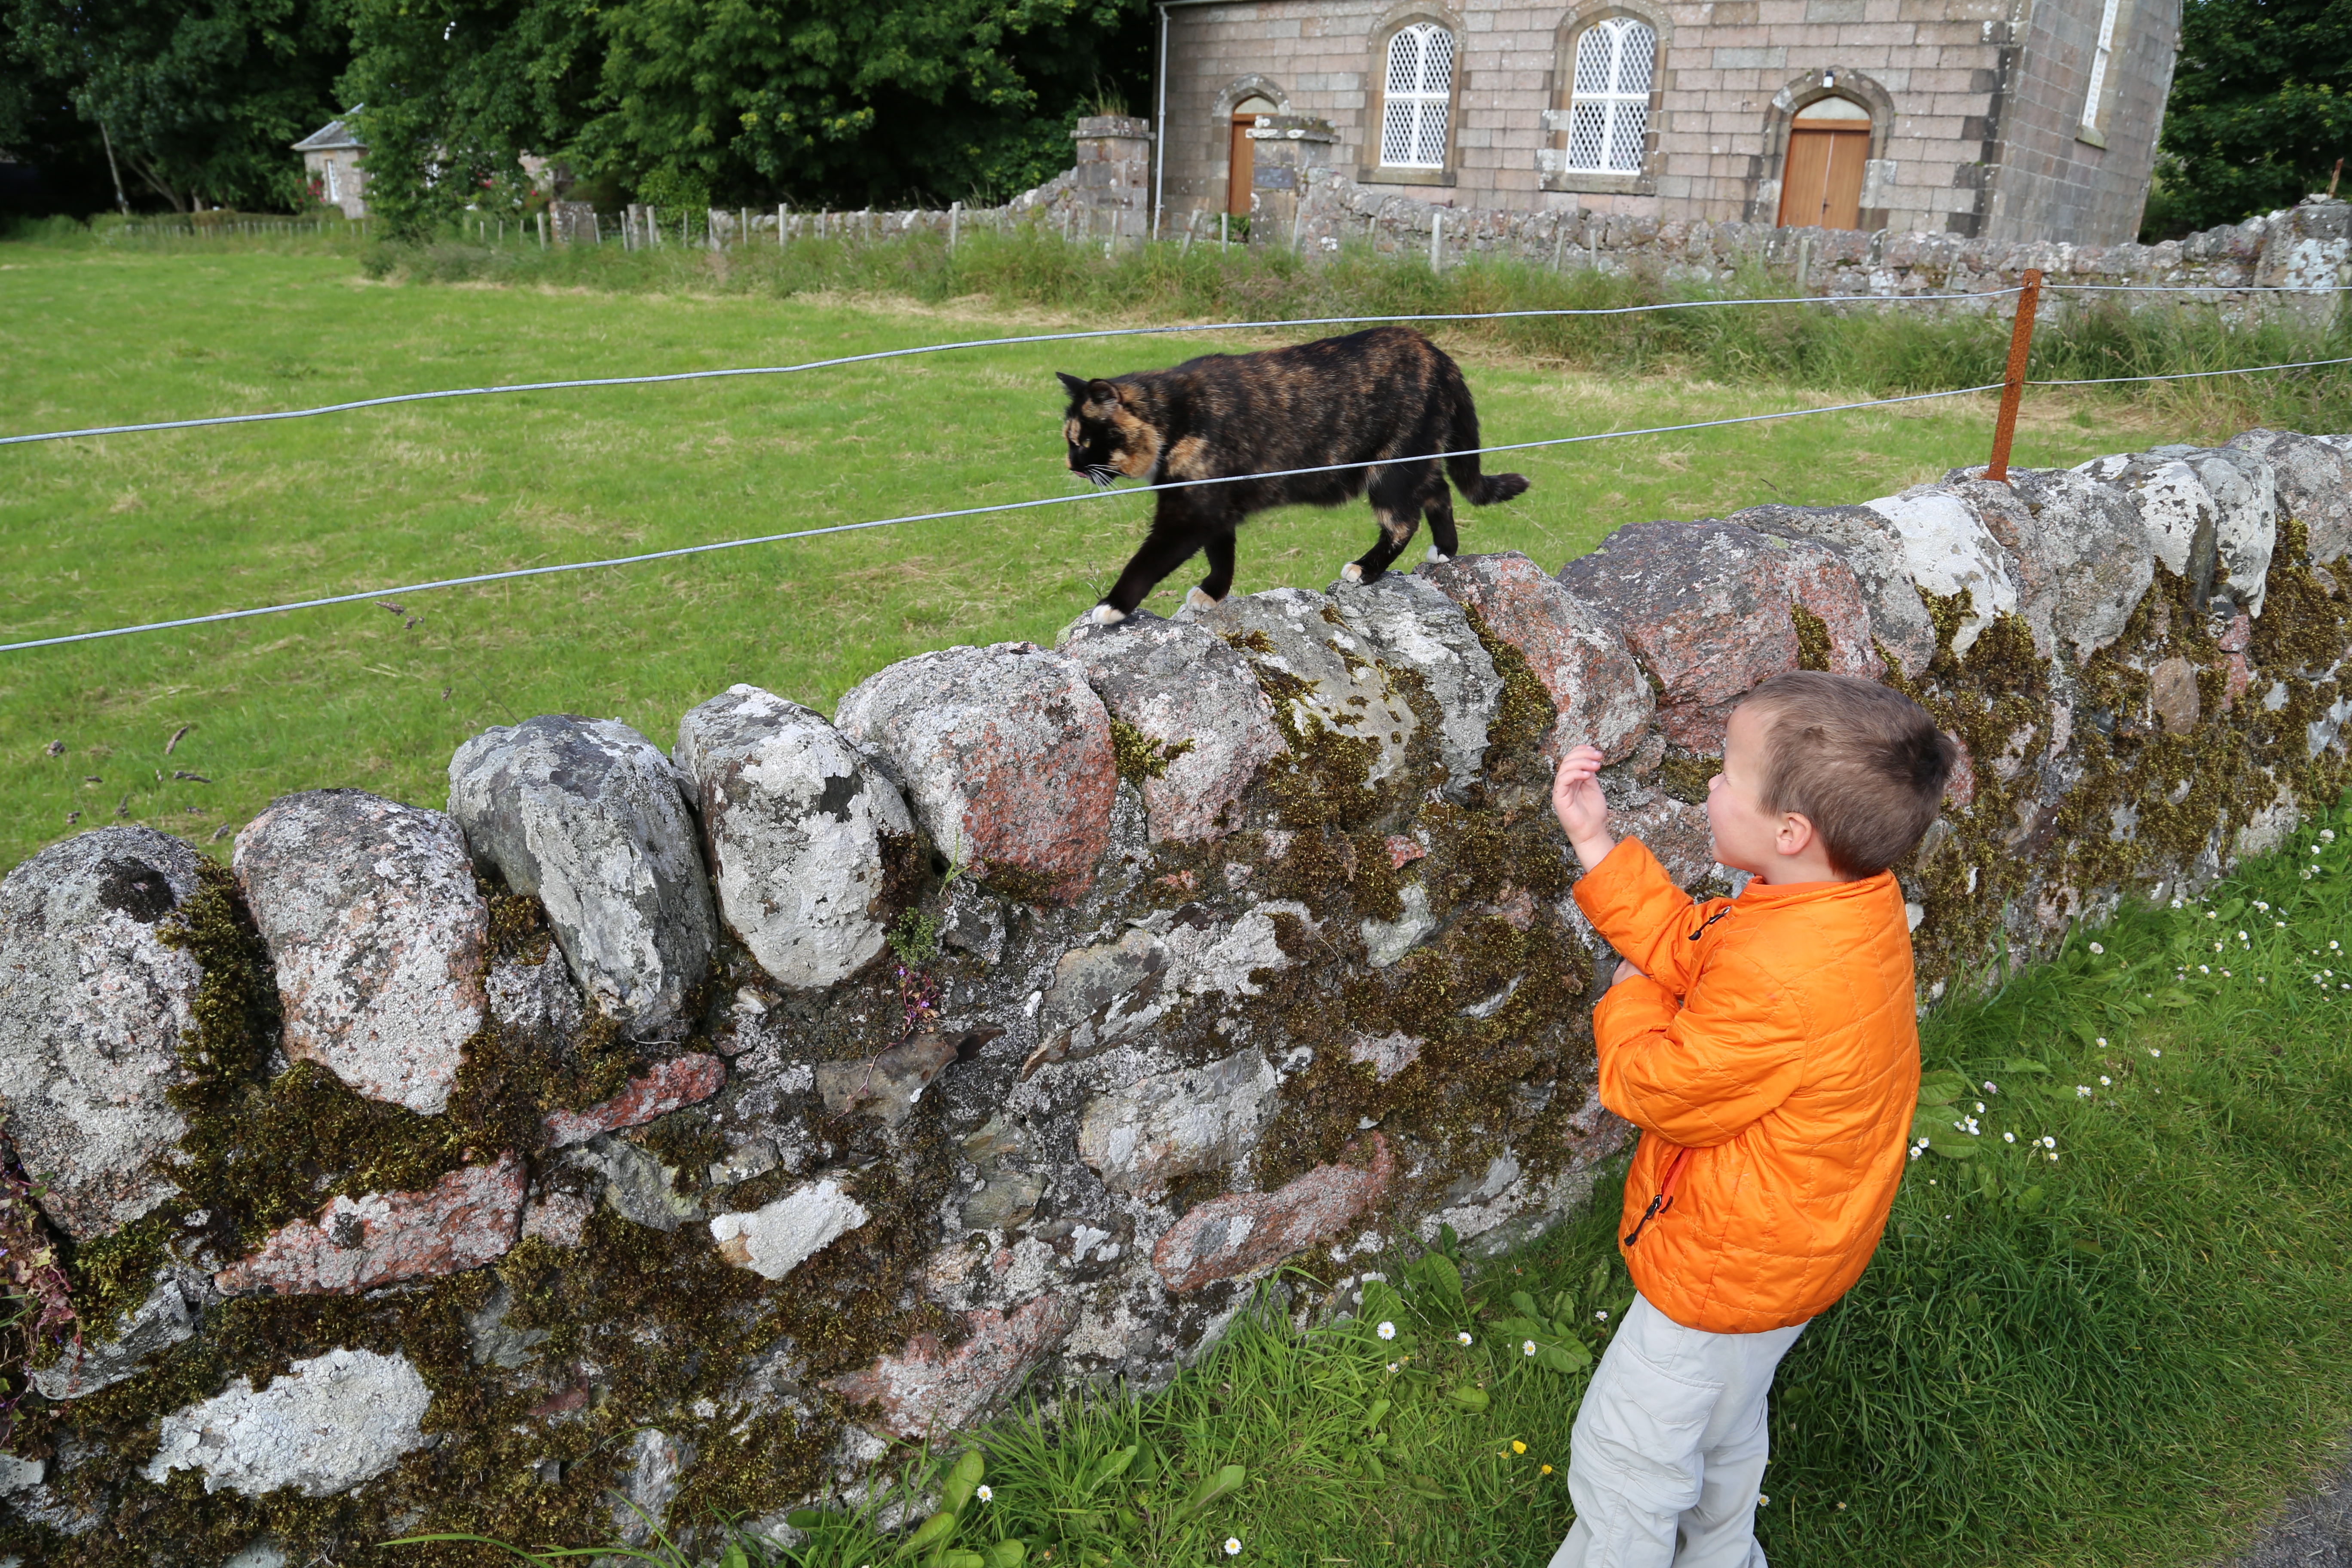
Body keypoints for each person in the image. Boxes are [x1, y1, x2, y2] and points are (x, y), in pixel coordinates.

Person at [1544, 671, 1957, 1568]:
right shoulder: (1841, 903)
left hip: (1725, 1271)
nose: (1710, 786)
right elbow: (1697, 947)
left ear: (1789, 831)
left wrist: (1624, 1002)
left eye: (1728, 774)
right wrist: (1597, 842)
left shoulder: (1783, 976)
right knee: (1726, 1425)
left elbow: (1657, 1087)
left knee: (1629, 1457)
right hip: (1796, 1250)